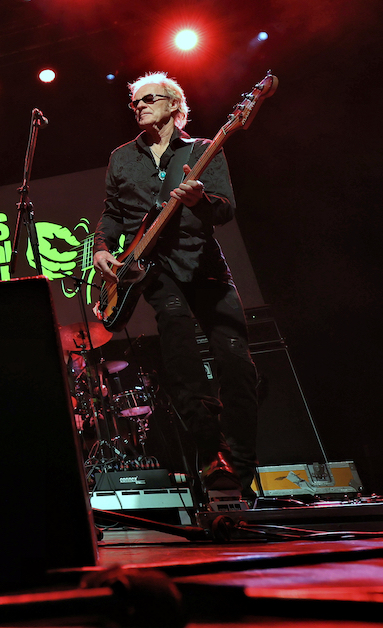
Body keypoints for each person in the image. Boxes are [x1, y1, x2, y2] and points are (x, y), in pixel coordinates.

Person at [92, 72, 258, 503]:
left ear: (173, 103)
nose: (139, 106)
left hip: (204, 266)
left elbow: (224, 211)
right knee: (182, 361)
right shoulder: (122, 157)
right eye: (135, 102)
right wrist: (102, 247)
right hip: (155, 270)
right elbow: (111, 211)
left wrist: (198, 199)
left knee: (237, 366)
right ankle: (214, 458)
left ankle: (238, 473)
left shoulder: (204, 149)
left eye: (148, 99)